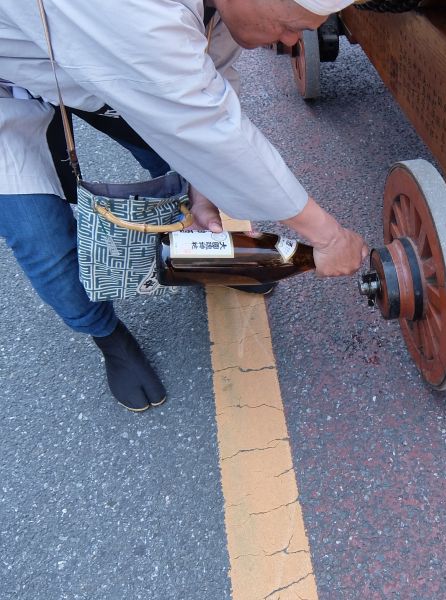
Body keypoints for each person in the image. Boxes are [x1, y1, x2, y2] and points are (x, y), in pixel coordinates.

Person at [0, 0, 369, 412]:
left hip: (95, 68)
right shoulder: (140, 13)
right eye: (289, 24)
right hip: (12, 70)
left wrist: (202, 188)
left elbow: (214, 84)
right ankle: (107, 337)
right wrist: (329, 237)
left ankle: (198, 260)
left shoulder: (224, 10)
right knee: (41, 239)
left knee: (181, 168)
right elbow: (207, 127)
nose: (290, 40)